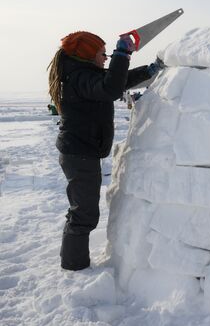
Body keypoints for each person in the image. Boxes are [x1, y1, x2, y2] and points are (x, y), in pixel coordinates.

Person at [47, 31, 164, 271]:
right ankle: (74, 267)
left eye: (110, 53)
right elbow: (111, 89)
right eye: (103, 54)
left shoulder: (83, 74)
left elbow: (115, 81)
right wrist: (122, 54)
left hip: (81, 153)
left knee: (83, 212)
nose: (106, 58)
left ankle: (73, 262)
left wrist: (148, 72)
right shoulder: (79, 77)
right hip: (79, 155)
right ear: (88, 54)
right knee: (84, 214)